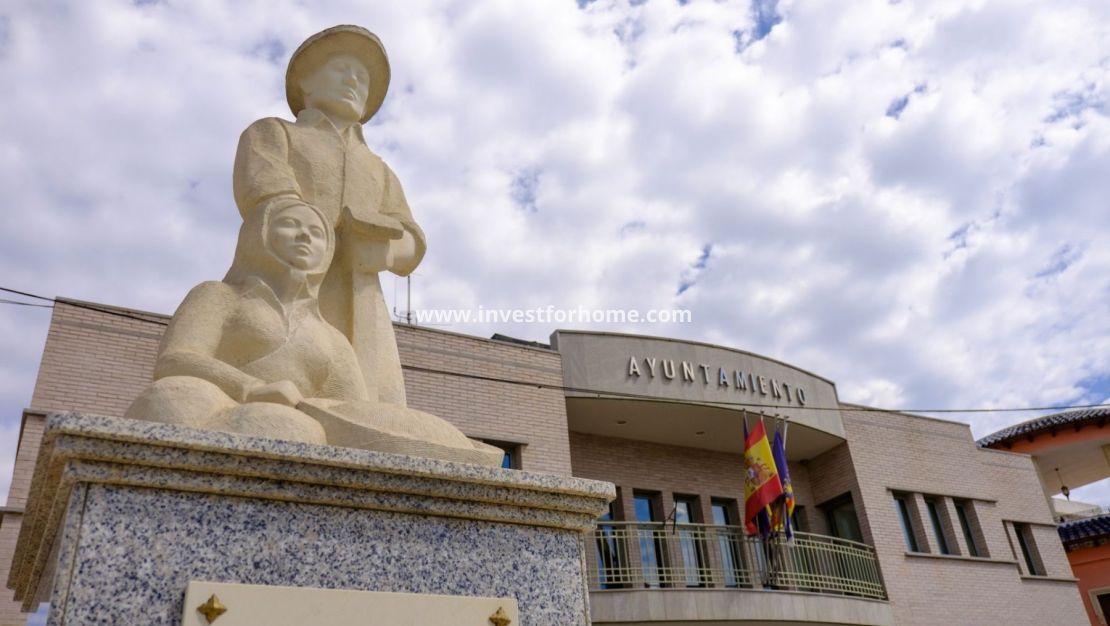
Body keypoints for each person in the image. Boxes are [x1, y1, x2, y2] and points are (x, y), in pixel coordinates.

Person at [233, 25, 422, 407]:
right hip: (283, 292)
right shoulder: (273, 133)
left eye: (363, 78)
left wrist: (385, 252)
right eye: (341, 68)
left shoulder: (380, 170)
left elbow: (413, 239)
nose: (354, 81)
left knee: (380, 410)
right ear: (306, 82)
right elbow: (271, 199)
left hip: (367, 312)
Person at [125, 198, 365, 443]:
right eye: (290, 224)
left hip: (289, 420)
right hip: (213, 401)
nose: (305, 235)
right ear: (259, 233)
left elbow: (353, 410)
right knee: (172, 397)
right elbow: (175, 359)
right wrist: (250, 387)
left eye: (317, 233)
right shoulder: (219, 295)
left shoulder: (333, 339)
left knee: (287, 426)